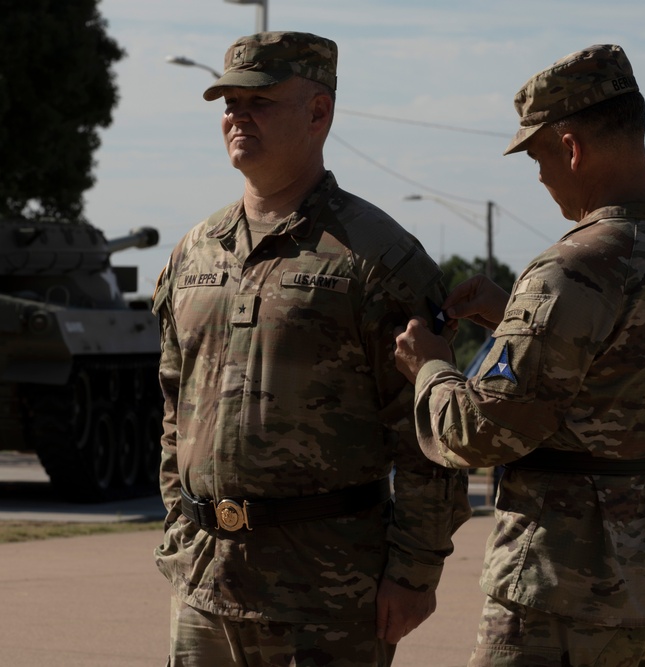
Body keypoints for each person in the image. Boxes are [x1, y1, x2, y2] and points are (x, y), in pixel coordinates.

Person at [394, 44, 645, 666]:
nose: (539, 176)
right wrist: (515, 319)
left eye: (537, 156)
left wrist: (430, 365)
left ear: (571, 145)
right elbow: (628, 378)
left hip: (564, 585)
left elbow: (479, 434)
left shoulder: (572, 268)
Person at [150, 31, 470, 666]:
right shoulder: (195, 252)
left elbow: (428, 438)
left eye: (260, 101)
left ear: (319, 112)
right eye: (229, 103)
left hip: (327, 594)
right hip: (205, 580)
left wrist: (413, 571)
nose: (239, 117)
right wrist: (178, 524)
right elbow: (172, 404)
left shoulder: (379, 257)